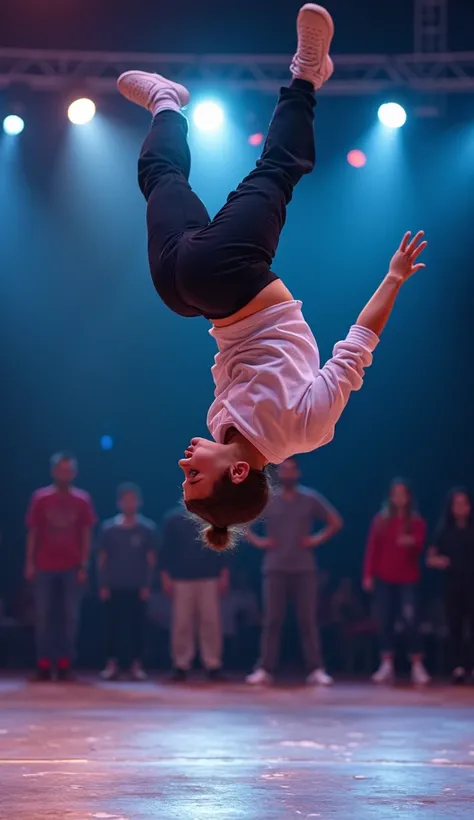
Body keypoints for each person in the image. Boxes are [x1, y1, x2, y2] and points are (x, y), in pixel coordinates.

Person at [117, 4, 427, 551]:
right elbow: (357, 348)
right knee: (276, 172)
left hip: (192, 294)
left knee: (160, 181)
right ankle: (307, 74)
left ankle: (166, 103)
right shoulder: (305, 429)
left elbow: (232, 352)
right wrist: (394, 279)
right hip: (234, 280)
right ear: (237, 473)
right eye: (193, 476)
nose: (184, 465)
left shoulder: (220, 425)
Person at [245, 458, 342, 686]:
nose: (288, 473)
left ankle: (316, 668)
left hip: (304, 568)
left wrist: (315, 539)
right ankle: (265, 668)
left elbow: (335, 521)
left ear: (298, 473)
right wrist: (259, 542)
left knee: (307, 620)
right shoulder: (268, 498)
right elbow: (244, 522)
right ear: (279, 473)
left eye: (292, 469)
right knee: (272, 620)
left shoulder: (309, 498)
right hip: (275, 567)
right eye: (284, 469)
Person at [25, 452, 96, 681]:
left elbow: (86, 534)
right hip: (44, 565)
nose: (64, 474)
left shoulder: (82, 500)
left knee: (69, 617)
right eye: (60, 469)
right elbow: (33, 532)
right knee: (44, 615)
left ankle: (65, 664)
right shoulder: (41, 499)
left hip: (71, 567)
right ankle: (44, 664)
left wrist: (84, 565)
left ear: (73, 473)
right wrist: (29, 563)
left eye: (68, 470)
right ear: (54, 472)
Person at [363, 478, 430, 686]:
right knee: (385, 620)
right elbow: (372, 549)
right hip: (384, 578)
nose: (399, 497)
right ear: (391, 497)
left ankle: (417, 665)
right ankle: (386, 664)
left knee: (411, 621)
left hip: (408, 579)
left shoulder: (416, 522)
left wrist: (412, 543)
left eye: (403, 493)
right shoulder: (381, 520)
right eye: (395, 493)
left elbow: (421, 546)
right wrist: (368, 574)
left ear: (408, 497)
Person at [160, 506, 229, 682]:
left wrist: (224, 573)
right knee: (181, 622)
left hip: (209, 576)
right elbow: (166, 549)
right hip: (181, 577)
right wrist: (165, 575)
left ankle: (213, 664)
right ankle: (181, 665)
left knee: (211, 622)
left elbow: (222, 545)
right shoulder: (173, 519)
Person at [98, 483, 157, 681]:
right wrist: (103, 584)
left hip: (137, 586)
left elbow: (150, 560)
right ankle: (112, 663)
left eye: (133, 499)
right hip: (114, 585)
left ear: (139, 502)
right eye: (126, 499)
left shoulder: (147, 529)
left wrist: (147, 585)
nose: (129, 503)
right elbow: (102, 559)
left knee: (137, 627)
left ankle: (136, 664)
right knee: (112, 627)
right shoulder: (109, 529)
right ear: (119, 502)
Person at [427, 488, 474, 684]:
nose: (461, 508)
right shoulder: (444, 530)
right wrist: (439, 561)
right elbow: (430, 558)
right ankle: (458, 667)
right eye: (457, 504)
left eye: (464, 503)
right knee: (455, 625)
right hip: (453, 585)